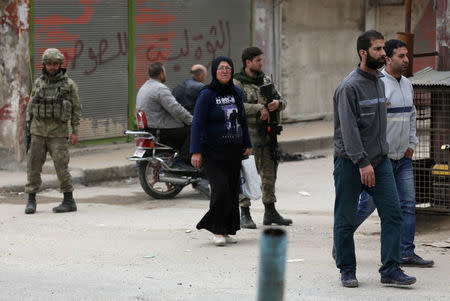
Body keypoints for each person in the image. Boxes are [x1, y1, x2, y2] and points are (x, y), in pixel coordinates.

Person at [333, 30, 416, 287]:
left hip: (380, 162)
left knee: (393, 214)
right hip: (351, 163)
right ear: (363, 53)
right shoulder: (348, 87)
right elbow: (349, 131)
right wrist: (362, 162)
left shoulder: (380, 82)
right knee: (345, 218)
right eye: (378, 49)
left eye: (383, 49)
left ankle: (390, 269)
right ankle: (347, 269)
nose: (383, 53)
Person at [354, 39, 434, 267]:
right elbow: (369, 124)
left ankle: (406, 252)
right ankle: (342, 241)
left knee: (408, 205)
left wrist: (412, 143)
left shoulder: (407, 84)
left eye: (406, 55)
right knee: (367, 205)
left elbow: (411, 115)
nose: (406, 60)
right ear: (387, 59)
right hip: (382, 160)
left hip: (403, 159)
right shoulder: (379, 84)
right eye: (401, 56)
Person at [191, 56, 252, 246]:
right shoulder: (207, 94)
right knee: (221, 190)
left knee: (233, 191)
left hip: (233, 150)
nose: (224, 71)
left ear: (232, 71)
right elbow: (197, 124)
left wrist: (247, 143)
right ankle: (217, 229)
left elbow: (242, 119)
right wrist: (196, 151)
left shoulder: (236, 92)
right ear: (214, 71)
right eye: (220, 68)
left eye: (228, 68)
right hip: (212, 151)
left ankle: (227, 229)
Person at [233, 46, 292, 229]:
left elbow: (283, 101)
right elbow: (237, 106)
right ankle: (245, 213)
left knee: (269, 174)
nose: (261, 63)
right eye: (258, 60)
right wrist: (260, 108)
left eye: (261, 60)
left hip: (267, 135)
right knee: (245, 174)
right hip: (247, 137)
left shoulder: (266, 80)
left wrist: (277, 104)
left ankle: (270, 211)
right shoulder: (237, 83)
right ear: (248, 62)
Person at [25, 48, 82, 214]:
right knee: (33, 166)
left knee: (61, 166)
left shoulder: (69, 85)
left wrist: (75, 131)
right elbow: (30, 106)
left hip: (58, 133)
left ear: (60, 65)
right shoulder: (38, 83)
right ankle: (31, 200)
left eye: (55, 64)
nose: (52, 67)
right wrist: (28, 129)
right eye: (49, 64)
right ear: (44, 65)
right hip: (38, 131)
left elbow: (76, 109)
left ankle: (69, 200)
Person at [136, 62, 192, 163]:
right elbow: (176, 109)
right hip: (160, 128)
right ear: (161, 73)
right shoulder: (160, 88)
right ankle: (184, 159)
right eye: (165, 72)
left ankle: (176, 154)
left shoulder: (144, 87)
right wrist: (192, 120)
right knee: (193, 130)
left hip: (149, 127)